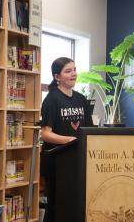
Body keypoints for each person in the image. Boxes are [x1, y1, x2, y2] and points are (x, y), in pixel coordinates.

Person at [40, 57, 93, 222]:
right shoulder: (51, 100)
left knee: (76, 204)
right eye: (68, 71)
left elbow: (88, 130)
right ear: (57, 77)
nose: (74, 74)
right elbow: (45, 134)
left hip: (77, 160)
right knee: (57, 206)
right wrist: (69, 140)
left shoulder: (81, 99)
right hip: (56, 161)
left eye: (74, 70)